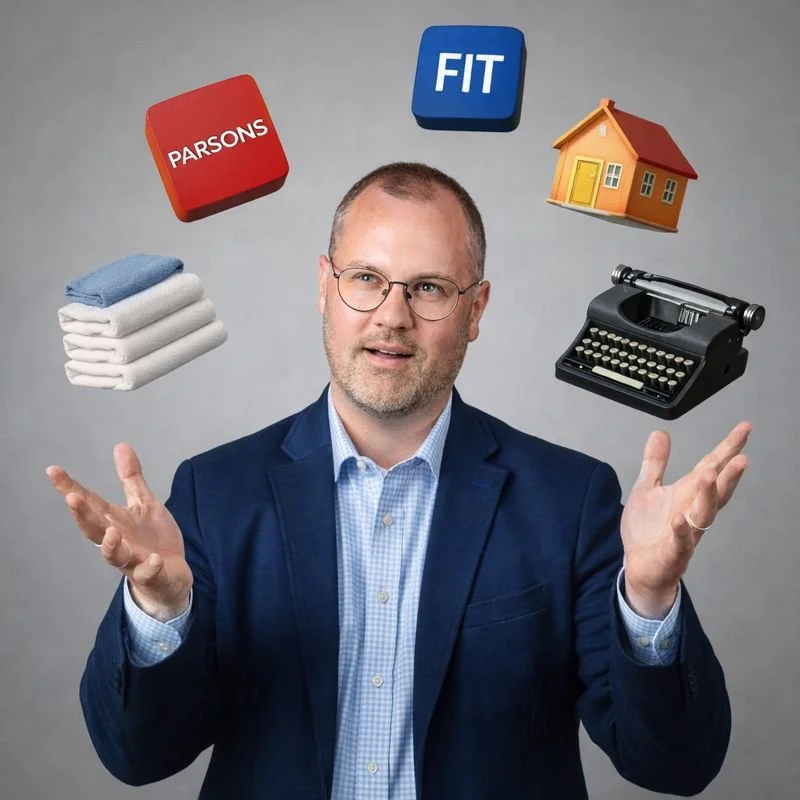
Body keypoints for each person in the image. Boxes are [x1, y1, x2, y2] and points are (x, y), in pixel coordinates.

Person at [47, 162, 750, 800]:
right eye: (366, 279)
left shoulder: (570, 502)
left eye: (430, 289)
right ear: (324, 288)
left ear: (476, 311)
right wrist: (161, 608)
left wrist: (651, 598)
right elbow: (135, 756)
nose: (392, 315)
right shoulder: (213, 495)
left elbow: (675, 765)